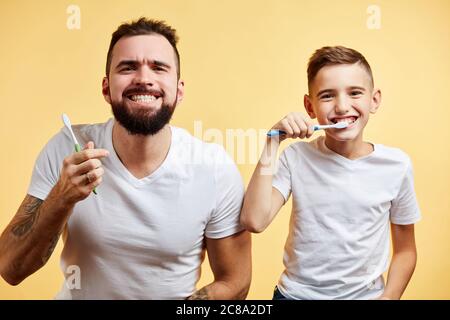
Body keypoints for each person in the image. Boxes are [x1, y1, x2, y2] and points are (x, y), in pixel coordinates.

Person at [0, 18, 251, 300]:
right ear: (106, 88)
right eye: (128, 67)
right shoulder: (67, 148)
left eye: (158, 67)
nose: (144, 78)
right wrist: (61, 198)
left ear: (179, 91)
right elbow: (10, 268)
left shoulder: (213, 167)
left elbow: (235, 280)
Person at [240, 46, 420, 300]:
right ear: (309, 106)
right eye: (327, 96)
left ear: (374, 99)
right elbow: (254, 220)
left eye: (355, 93)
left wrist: (389, 297)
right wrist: (272, 141)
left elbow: (405, 251)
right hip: (295, 296)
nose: (342, 106)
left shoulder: (396, 166)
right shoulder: (296, 157)